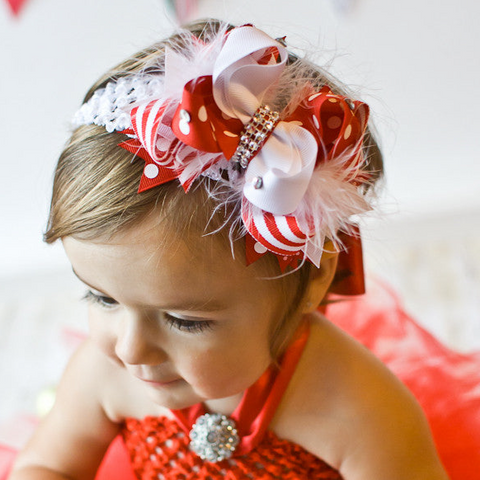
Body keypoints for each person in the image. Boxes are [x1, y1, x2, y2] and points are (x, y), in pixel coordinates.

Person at [9, 19, 450, 480]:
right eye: (103, 298)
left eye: (186, 320)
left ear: (311, 281)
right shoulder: (106, 373)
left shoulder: (357, 406)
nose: (131, 348)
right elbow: (46, 465)